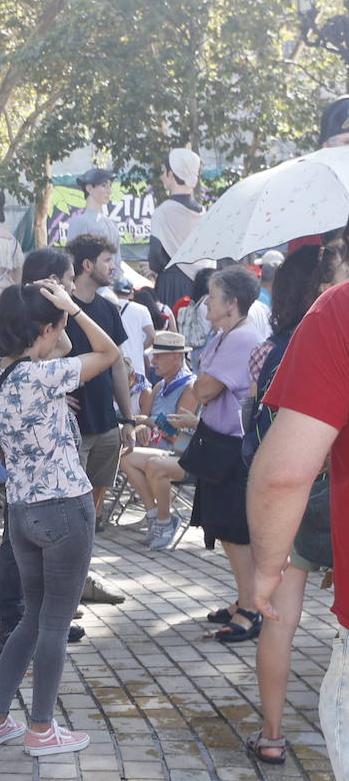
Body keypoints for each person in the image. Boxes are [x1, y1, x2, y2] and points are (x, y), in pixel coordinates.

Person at [0, 281, 121, 756]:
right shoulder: (44, 376)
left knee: (32, 620)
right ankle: (41, 729)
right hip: (64, 508)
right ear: (45, 329)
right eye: (58, 326)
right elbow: (110, 351)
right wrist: (75, 309)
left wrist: (58, 322)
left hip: (21, 512)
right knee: (55, 624)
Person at [247, 281, 347, 781]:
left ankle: (273, 733)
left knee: (279, 614)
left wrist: (265, 568)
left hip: (305, 505)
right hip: (318, 501)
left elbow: (283, 471)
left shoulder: (333, 314)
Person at [176, 266, 265, 642]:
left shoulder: (243, 337)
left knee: (236, 532)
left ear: (231, 303)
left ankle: (251, 609)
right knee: (227, 532)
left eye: (211, 296)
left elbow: (205, 389)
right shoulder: (225, 335)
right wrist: (202, 382)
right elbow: (202, 384)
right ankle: (242, 599)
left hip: (233, 447)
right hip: (218, 441)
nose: (205, 302)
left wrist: (202, 382)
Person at [64, 235, 136, 520]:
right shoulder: (60, 308)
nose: (113, 268)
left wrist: (128, 419)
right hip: (73, 424)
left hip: (107, 423)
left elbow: (118, 366)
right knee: (71, 502)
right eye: (107, 261)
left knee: (95, 503)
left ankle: (87, 542)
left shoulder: (109, 309)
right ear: (87, 265)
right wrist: (55, 394)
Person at [117, 331, 197, 549]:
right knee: (125, 455)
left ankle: (164, 521)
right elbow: (139, 420)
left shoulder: (190, 387)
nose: (152, 362)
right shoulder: (160, 387)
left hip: (180, 455)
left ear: (176, 356)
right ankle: (154, 514)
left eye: (158, 356)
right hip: (156, 450)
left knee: (152, 464)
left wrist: (149, 422)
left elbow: (178, 437)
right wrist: (142, 426)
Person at [149, 148, 204, 308]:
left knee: (173, 331)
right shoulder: (203, 212)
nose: (162, 176)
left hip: (172, 283)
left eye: (164, 171)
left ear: (171, 174)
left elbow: (155, 257)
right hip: (202, 284)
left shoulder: (163, 212)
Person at [68, 167, 123, 280]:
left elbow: (117, 261)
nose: (109, 191)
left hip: (110, 285)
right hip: (87, 285)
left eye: (109, 186)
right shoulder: (80, 222)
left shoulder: (111, 224)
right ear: (89, 188)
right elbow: (72, 257)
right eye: (104, 185)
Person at [110, 277, 154, 378]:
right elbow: (151, 336)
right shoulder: (142, 309)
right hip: (136, 365)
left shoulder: (107, 306)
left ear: (114, 291)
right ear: (131, 293)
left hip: (114, 365)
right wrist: (138, 348)